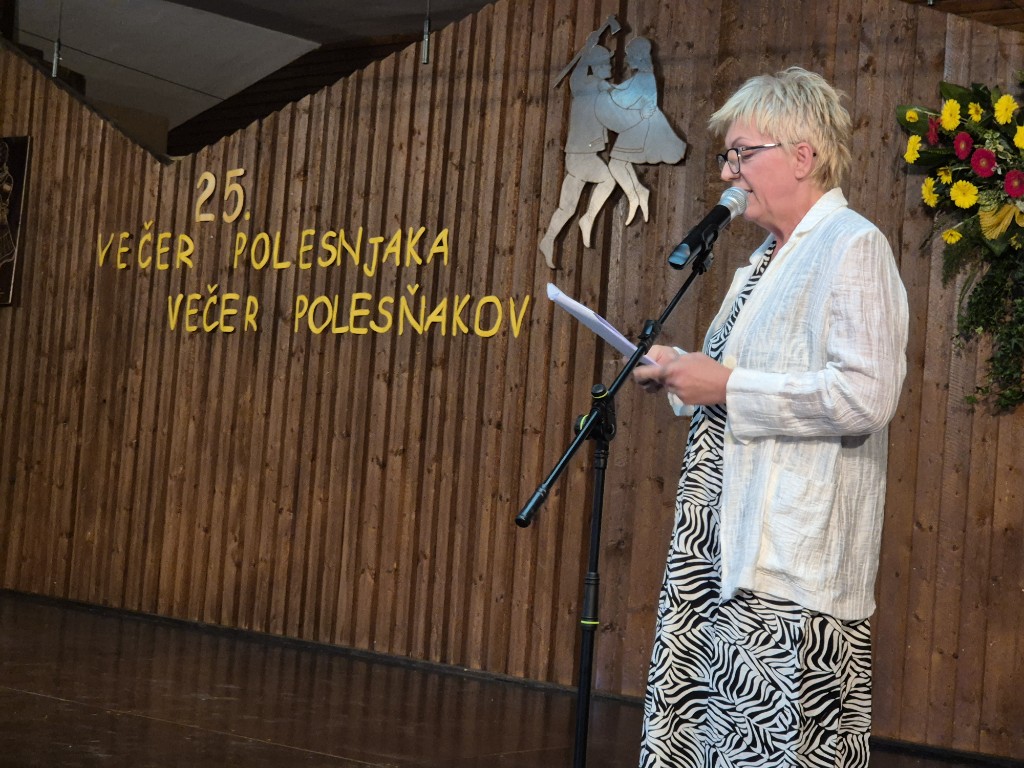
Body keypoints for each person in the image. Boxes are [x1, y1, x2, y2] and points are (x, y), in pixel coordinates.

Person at [632, 67, 909, 767]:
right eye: (727, 156)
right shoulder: (762, 259)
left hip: (790, 562)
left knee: (774, 745)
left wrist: (726, 384)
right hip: (718, 544)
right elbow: (747, 374)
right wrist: (682, 369)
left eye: (742, 154)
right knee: (706, 742)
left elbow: (866, 395)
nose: (729, 173)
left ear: (802, 155)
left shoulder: (851, 245)